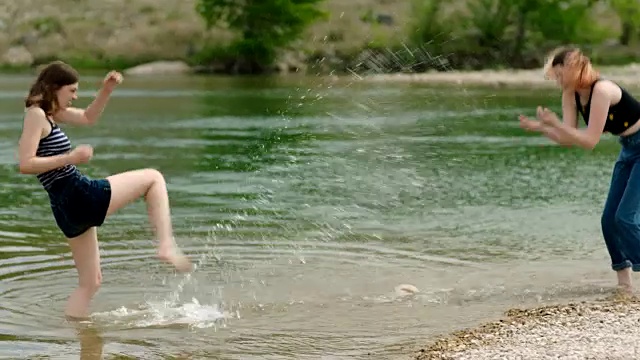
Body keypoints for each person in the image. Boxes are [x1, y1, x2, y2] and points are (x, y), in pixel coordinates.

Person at [17, 61, 194, 320]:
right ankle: (166, 245)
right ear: (54, 88)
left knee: (90, 283)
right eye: (72, 91)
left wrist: (106, 91)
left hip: (64, 209)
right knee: (154, 178)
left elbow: (88, 118)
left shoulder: (51, 113)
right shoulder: (36, 116)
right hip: (77, 194)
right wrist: (70, 157)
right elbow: (26, 163)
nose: (75, 97)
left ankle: (80, 335)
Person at [519, 46, 640, 294]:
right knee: (609, 220)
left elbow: (590, 140)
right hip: (628, 148)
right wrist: (542, 128)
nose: (558, 82)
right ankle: (624, 286)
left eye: (559, 75)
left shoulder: (603, 90)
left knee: (625, 218)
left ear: (572, 68)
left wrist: (554, 124)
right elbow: (568, 138)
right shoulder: (571, 94)